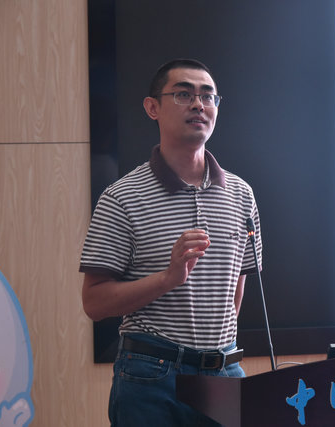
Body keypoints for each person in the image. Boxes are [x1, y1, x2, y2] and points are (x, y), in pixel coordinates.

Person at [79, 59, 262, 426]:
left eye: (208, 96)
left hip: (225, 370)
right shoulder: (122, 197)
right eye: (183, 94)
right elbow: (94, 303)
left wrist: (213, 348)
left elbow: (236, 287)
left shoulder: (241, 194)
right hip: (151, 375)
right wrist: (167, 278)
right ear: (153, 108)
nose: (198, 105)